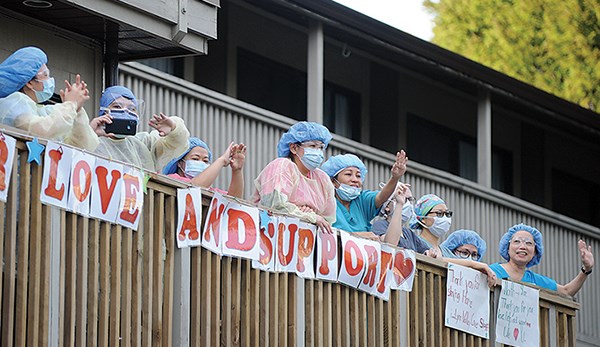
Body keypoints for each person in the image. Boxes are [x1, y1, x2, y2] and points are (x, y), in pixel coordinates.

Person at [0, 46, 98, 150]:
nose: (50, 79)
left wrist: (77, 110)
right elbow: (45, 130)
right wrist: (70, 104)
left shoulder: (41, 111)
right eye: (45, 75)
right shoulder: (14, 103)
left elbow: (83, 146)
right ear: (29, 82)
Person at [252, 121, 335, 233]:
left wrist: (309, 216)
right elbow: (275, 206)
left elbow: (327, 220)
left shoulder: (322, 179)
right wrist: (310, 217)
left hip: (305, 244)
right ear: (293, 148)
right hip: (269, 235)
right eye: (312, 146)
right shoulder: (282, 166)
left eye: (321, 147)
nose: (318, 152)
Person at [90, 86, 189, 172]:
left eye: (132, 109)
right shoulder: (94, 142)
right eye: (117, 106)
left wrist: (174, 128)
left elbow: (178, 144)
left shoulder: (144, 143)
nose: (126, 112)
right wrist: (90, 133)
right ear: (104, 112)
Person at [320, 152, 408, 240]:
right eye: (348, 174)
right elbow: (322, 232)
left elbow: (381, 197)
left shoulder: (362, 200)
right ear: (333, 181)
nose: (355, 180)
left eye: (358, 176)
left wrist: (395, 178)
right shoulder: (324, 200)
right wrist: (356, 235)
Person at [490, 223, 594, 296]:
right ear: (507, 248)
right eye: (517, 241)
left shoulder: (536, 280)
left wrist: (586, 269)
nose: (523, 246)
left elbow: (566, 292)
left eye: (529, 243)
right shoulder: (491, 271)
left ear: (535, 251)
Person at [162, 137, 246, 198]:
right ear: (180, 163)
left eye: (205, 161)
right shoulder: (172, 179)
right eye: (195, 159)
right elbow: (194, 188)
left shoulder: (211, 190)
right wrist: (222, 160)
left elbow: (234, 201)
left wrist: (237, 170)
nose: (201, 163)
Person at [378, 184, 432, 253]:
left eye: (409, 199)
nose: (407, 204)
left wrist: (430, 253)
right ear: (387, 206)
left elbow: (429, 252)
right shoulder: (380, 225)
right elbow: (390, 245)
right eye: (403, 198)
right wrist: (399, 204)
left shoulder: (409, 234)